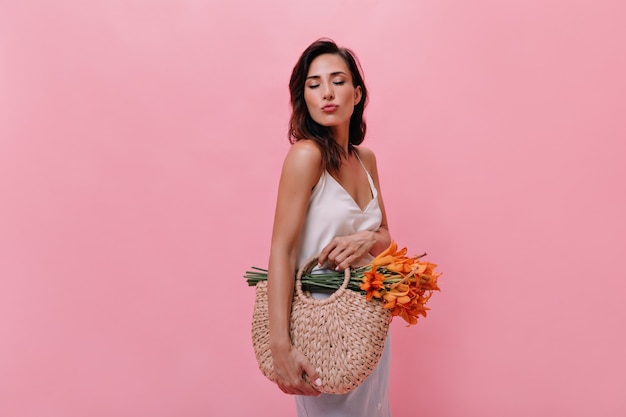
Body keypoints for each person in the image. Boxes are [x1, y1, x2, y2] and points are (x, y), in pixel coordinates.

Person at [266, 39, 392, 417]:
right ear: (303, 96)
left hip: (367, 319)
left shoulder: (366, 159)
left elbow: (385, 237)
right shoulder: (306, 156)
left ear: (356, 93)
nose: (326, 93)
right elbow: (282, 252)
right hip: (320, 320)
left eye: (337, 81)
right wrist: (281, 347)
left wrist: (367, 238)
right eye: (314, 84)